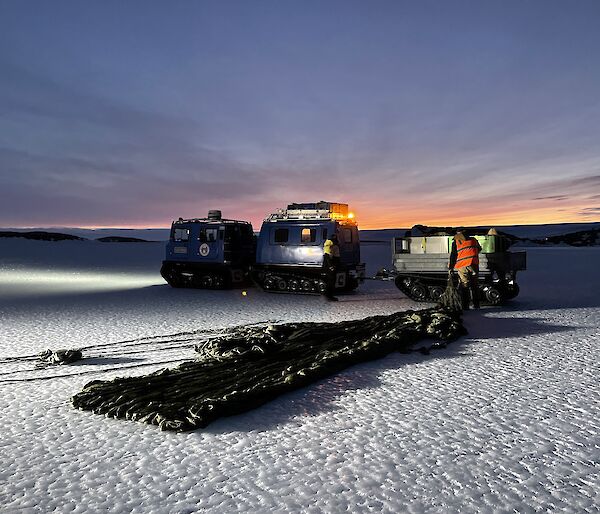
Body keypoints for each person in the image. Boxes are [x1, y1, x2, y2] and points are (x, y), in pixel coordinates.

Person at [449, 230, 481, 309]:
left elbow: (453, 256)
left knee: (465, 286)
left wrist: (451, 267)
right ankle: (476, 305)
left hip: (463, 266)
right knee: (475, 285)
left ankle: (465, 306)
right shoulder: (473, 240)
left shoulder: (456, 242)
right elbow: (479, 249)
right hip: (474, 265)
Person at [322, 233, 341, 301]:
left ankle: (329, 295)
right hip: (330, 266)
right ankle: (328, 296)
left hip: (332, 265)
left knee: (332, 280)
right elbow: (327, 256)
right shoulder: (329, 245)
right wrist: (330, 266)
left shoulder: (333, 245)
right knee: (331, 281)